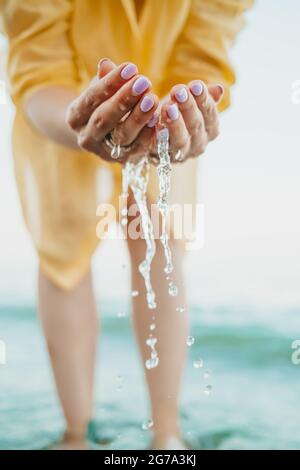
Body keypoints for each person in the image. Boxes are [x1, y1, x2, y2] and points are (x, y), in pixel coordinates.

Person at [0, 0, 252, 450]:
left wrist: (184, 112)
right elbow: (37, 64)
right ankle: (75, 434)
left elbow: (204, 53)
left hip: (167, 119)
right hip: (62, 115)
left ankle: (166, 434)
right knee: (64, 258)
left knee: (160, 239)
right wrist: (79, 119)